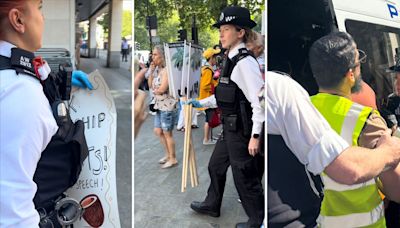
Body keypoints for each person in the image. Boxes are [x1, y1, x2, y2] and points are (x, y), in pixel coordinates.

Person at [267, 69, 400, 227]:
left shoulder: (303, 103)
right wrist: (387, 153)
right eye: (397, 79)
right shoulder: (367, 104)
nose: (397, 84)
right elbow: (389, 184)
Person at [0, 1, 92, 226]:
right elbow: (12, 212)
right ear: (18, 19)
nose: (43, 18)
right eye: (39, 8)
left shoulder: (13, 73)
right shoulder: (19, 92)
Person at [308, 31, 400, 227]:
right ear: (351, 74)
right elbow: (397, 189)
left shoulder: (299, 111)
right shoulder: (366, 120)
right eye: (359, 63)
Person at [188, 6, 265, 228]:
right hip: (230, 128)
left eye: (226, 29)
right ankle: (212, 204)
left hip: (242, 131)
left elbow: (259, 101)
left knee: (245, 177)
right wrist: (199, 104)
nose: (221, 34)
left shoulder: (244, 63)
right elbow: (225, 95)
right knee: (215, 166)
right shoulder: (228, 59)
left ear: (240, 32)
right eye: (220, 29)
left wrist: (255, 135)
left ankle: (257, 221)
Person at [148, 45, 178, 169]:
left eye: (155, 54)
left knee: (167, 133)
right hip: (159, 105)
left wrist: (157, 90)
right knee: (158, 131)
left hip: (167, 106)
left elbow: (162, 89)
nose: (152, 57)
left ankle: (173, 158)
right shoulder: (157, 70)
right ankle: (168, 155)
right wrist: (150, 71)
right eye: (152, 54)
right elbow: (150, 86)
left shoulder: (167, 70)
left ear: (162, 56)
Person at [198, 47, 221, 144]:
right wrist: (214, 86)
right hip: (208, 98)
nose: (216, 59)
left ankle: (209, 138)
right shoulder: (207, 70)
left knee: (210, 118)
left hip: (207, 98)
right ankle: (206, 139)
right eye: (215, 57)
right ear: (211, 58)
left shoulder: (207, 68)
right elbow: (205, 85)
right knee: (209, 119)